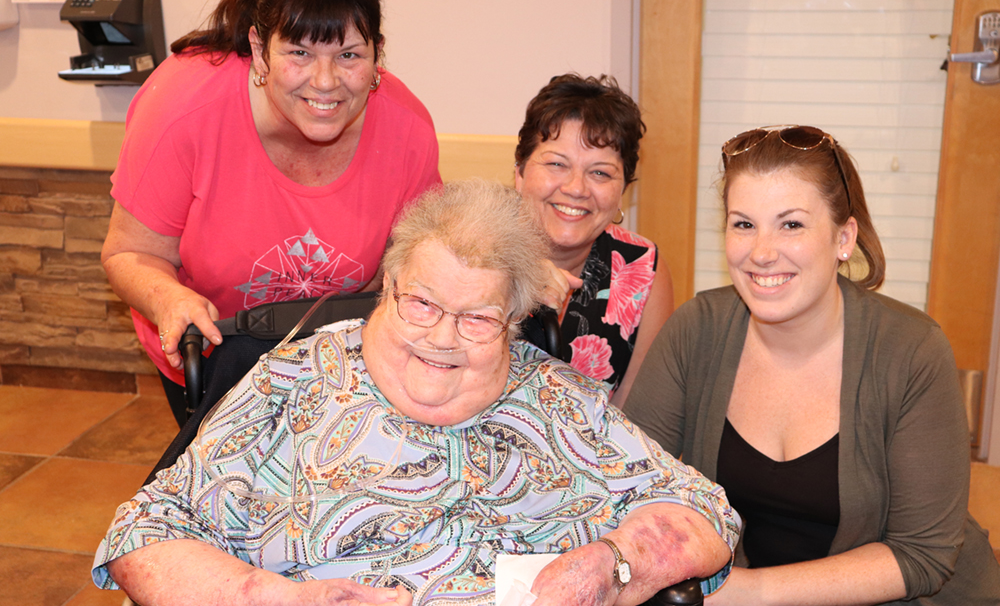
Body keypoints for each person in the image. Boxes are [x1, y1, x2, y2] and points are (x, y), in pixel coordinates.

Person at [93, 179, 740, 606]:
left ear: (513, 321)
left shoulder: (558, 399)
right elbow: (144, 531)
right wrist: (280, 597)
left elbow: (702, 507)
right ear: (391, 286)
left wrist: (617, 562)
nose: (443, 337)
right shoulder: (294, 382)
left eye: (479, 317)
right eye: (423, 302)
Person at [623, 126, 1000, 605]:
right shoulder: (696, 333)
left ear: (844, 237)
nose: (761, 252)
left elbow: (922, 556)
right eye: (743, 224)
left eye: (791, 224)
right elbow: (628, 485)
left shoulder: (911, 351)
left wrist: (750, 594)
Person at [100, 0, 441, 425]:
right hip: (216, 356)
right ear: (260, 49)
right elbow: (128, 255)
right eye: (299, 53)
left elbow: (423, 261)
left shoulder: (408, 130)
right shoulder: (182, 109)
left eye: (348, 55)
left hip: (337, 359)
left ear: (378, 54)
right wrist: (169, 298)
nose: (325, 82)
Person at [514, 74, 673, 406]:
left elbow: (631, 423)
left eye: (600, 173)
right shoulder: (474, 247)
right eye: (557, 164)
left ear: (622, 192)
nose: (576, 188)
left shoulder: (640, 269)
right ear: (519, 173)